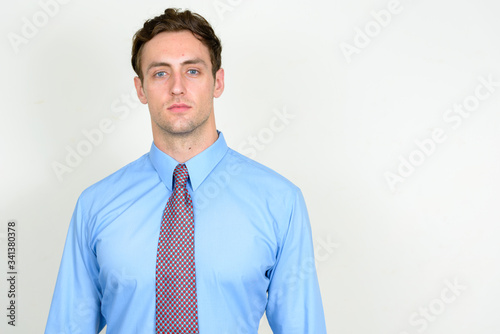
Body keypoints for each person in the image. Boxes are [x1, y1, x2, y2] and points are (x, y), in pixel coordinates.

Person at [45, 8, 327, 334]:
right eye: (161, 73)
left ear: (217, 82)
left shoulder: (280, 202)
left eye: (192, 71)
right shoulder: (95, 205)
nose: (177, 87)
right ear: (140, 89)